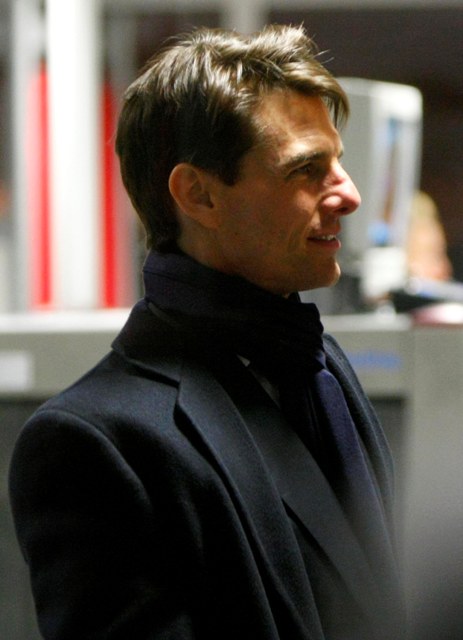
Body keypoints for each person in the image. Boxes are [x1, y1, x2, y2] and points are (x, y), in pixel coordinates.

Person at [9, 24, 406, 640]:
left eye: (338, 162)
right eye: (307, 169)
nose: (349, 195)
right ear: (198, 195)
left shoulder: (321, 365)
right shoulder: (93, 443)